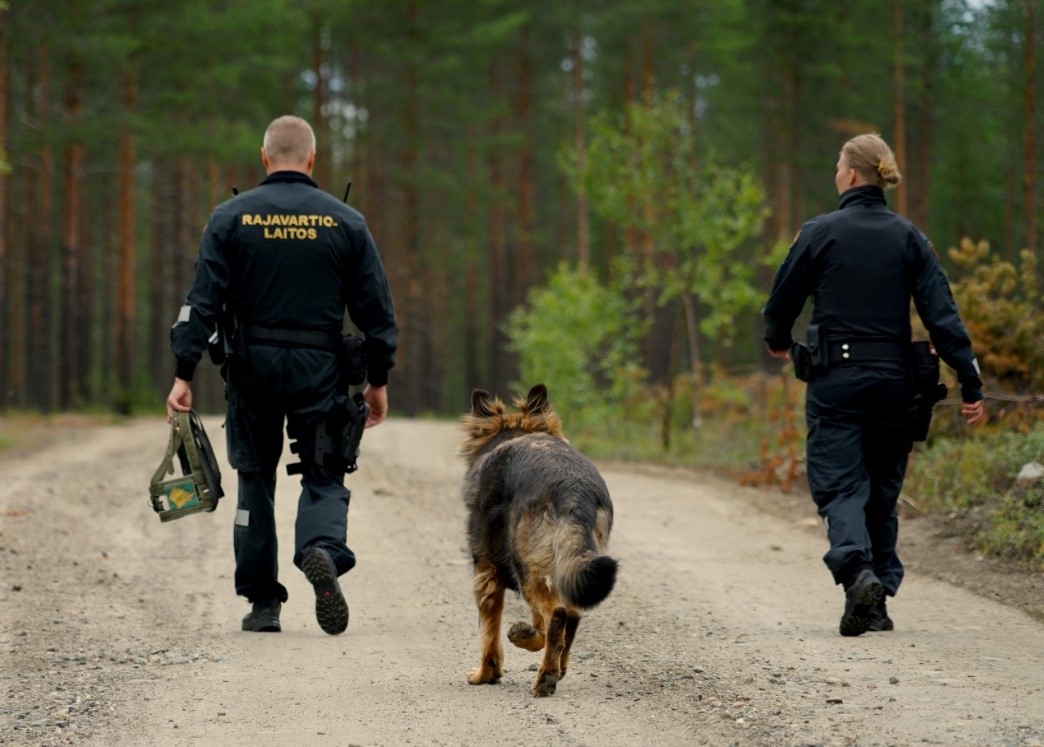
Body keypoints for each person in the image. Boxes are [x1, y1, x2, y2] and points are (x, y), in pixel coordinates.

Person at [166, 115, 398, 636]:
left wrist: (183, 372)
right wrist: (377, 381)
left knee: (256, 479)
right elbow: (377, 313)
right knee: (324, 470)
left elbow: (199, 305)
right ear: (312, 160)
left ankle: (263, 602)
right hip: (321, 369)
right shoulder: (346, 222)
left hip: (252, 369)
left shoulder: (230, 218)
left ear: (265, 158)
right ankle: (319, 547)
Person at [761, 133, 985, 637]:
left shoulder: (819, 233)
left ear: (852, 174)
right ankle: (876, 600)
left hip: (836, 384)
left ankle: (859, 574)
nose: (836, 172)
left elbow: (782, 301)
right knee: (881, 492)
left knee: (840, 486)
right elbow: (942, 316)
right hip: (896, 384)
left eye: (839, 164)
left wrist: (777, 339)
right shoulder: (909, 237)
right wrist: (970, 382)